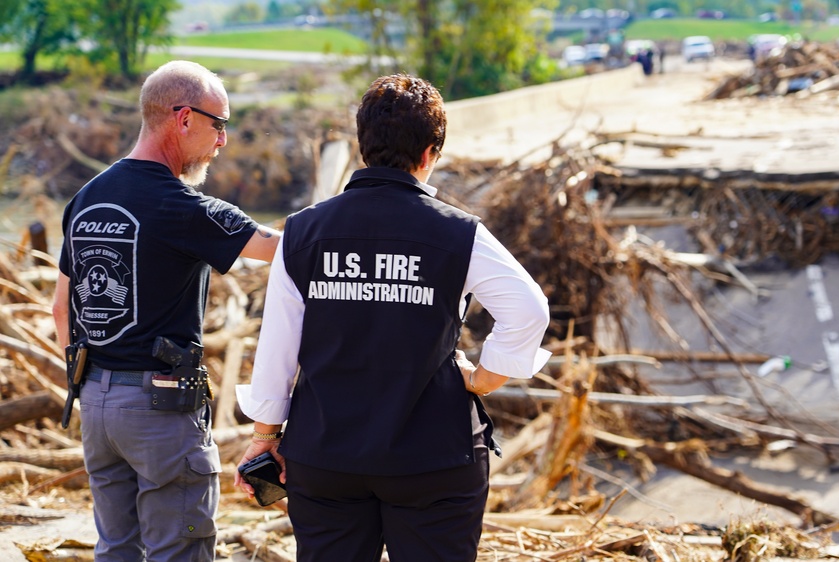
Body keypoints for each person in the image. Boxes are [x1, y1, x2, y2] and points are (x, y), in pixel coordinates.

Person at [234, 73, 551, 562]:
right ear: (430, 153)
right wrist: (485, 378)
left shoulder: (301, 231)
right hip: (433, 457)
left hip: (325, 455)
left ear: (363, 147)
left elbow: (277, 345)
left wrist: (264, 438)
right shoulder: (458, 233)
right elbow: (529, 308)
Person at [51, 60, 281, 561]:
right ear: (183, 118)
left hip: (96, 402)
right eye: (218, 123)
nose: (223, 140)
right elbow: (283, 249)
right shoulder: (182, 206)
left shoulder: (86, 197)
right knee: (179, 549)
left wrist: (92, 385)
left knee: (117, 550)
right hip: (158, 408)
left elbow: (60, 308)